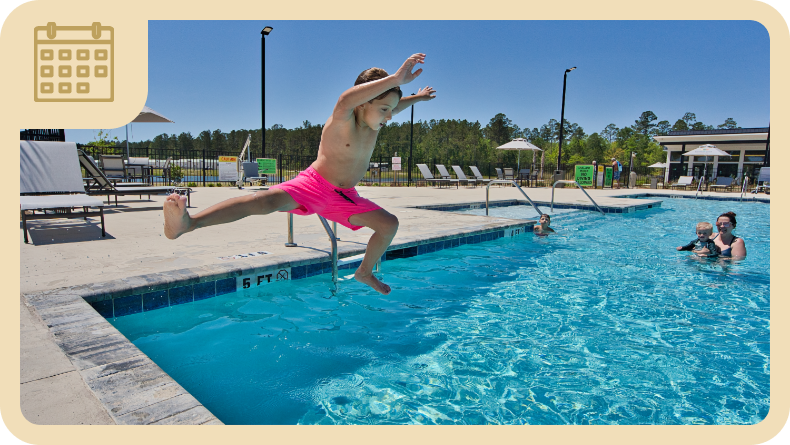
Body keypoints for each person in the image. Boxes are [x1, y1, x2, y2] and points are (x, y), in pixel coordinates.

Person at [163, 53, 437, 295]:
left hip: (343, 197)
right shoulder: (343, 118)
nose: (390, 116)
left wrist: (418, 98)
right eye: (384, 110)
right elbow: (345, 99)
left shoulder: (373, 122)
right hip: (313, 185)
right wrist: (395, 78)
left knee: (389, 224)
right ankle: (190, 222)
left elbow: (397, 105)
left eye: (391, 110)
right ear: (363, 103)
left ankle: (364, 272)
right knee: (263, 202)